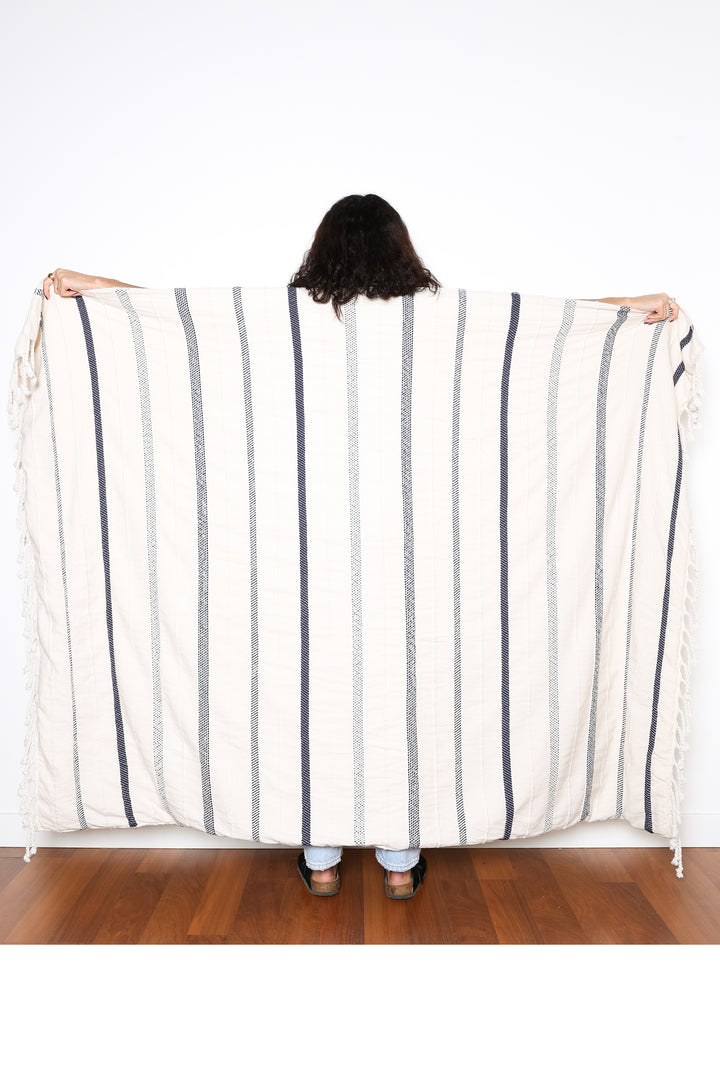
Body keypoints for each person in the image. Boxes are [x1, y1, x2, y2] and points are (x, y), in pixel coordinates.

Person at [42, 194, 681, 900]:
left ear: (321, 249)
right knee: (406, 703)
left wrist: (96, 291)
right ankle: (400, 866)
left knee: (309, 699)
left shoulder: (282, 324)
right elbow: (548, 333)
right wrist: (630, 308)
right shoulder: (442, 324)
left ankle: (320, 861)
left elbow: (178, 328)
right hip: (417, 569)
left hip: (301, 568)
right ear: (402, 249)